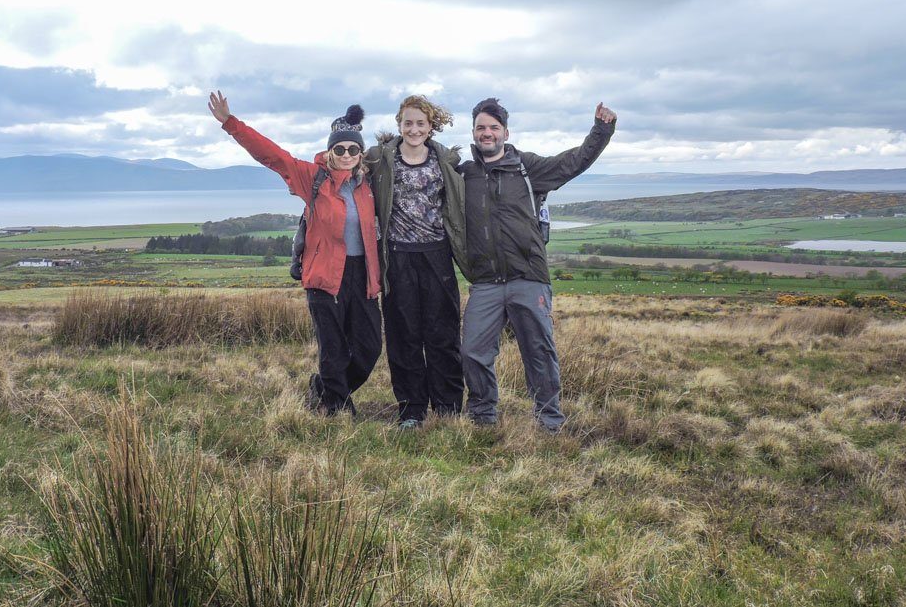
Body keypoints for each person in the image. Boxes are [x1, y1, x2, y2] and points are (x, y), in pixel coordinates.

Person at [208, 91, 382, 416]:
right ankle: (337, 409)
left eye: (352, 149)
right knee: (333, 351)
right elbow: (271, 155)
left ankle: (324, 388)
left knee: (369, 348)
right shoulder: (312, 178)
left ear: (361, 153)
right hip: (324, 277)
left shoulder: (369, 183)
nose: (346, 153)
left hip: (363, 277)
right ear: (330, 151)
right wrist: (232, 124)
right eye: (339, 148)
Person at [458, 97, 617, 432]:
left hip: (528, 276)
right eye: (481, 128)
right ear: (473, 132)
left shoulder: (527, 168)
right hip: (485, 281)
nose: (487, 134)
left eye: (493, 128)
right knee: (473, 350)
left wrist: (601, 130)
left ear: (506, 132)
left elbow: (573, 162)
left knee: (539, 353)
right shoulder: (465, 174)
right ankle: (483, 416)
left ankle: (549, 421)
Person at [365, 95, 469, 429]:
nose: (413, 129)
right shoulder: (381, 159)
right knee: (403, 334)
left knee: (443, 333)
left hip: (437, 254)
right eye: (407, 123)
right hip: (397, 256)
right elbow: (346, 162)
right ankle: (411, 409)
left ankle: (448, 405)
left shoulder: (446, 161)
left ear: (430, 126)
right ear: (399, 125)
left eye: (420, 123)